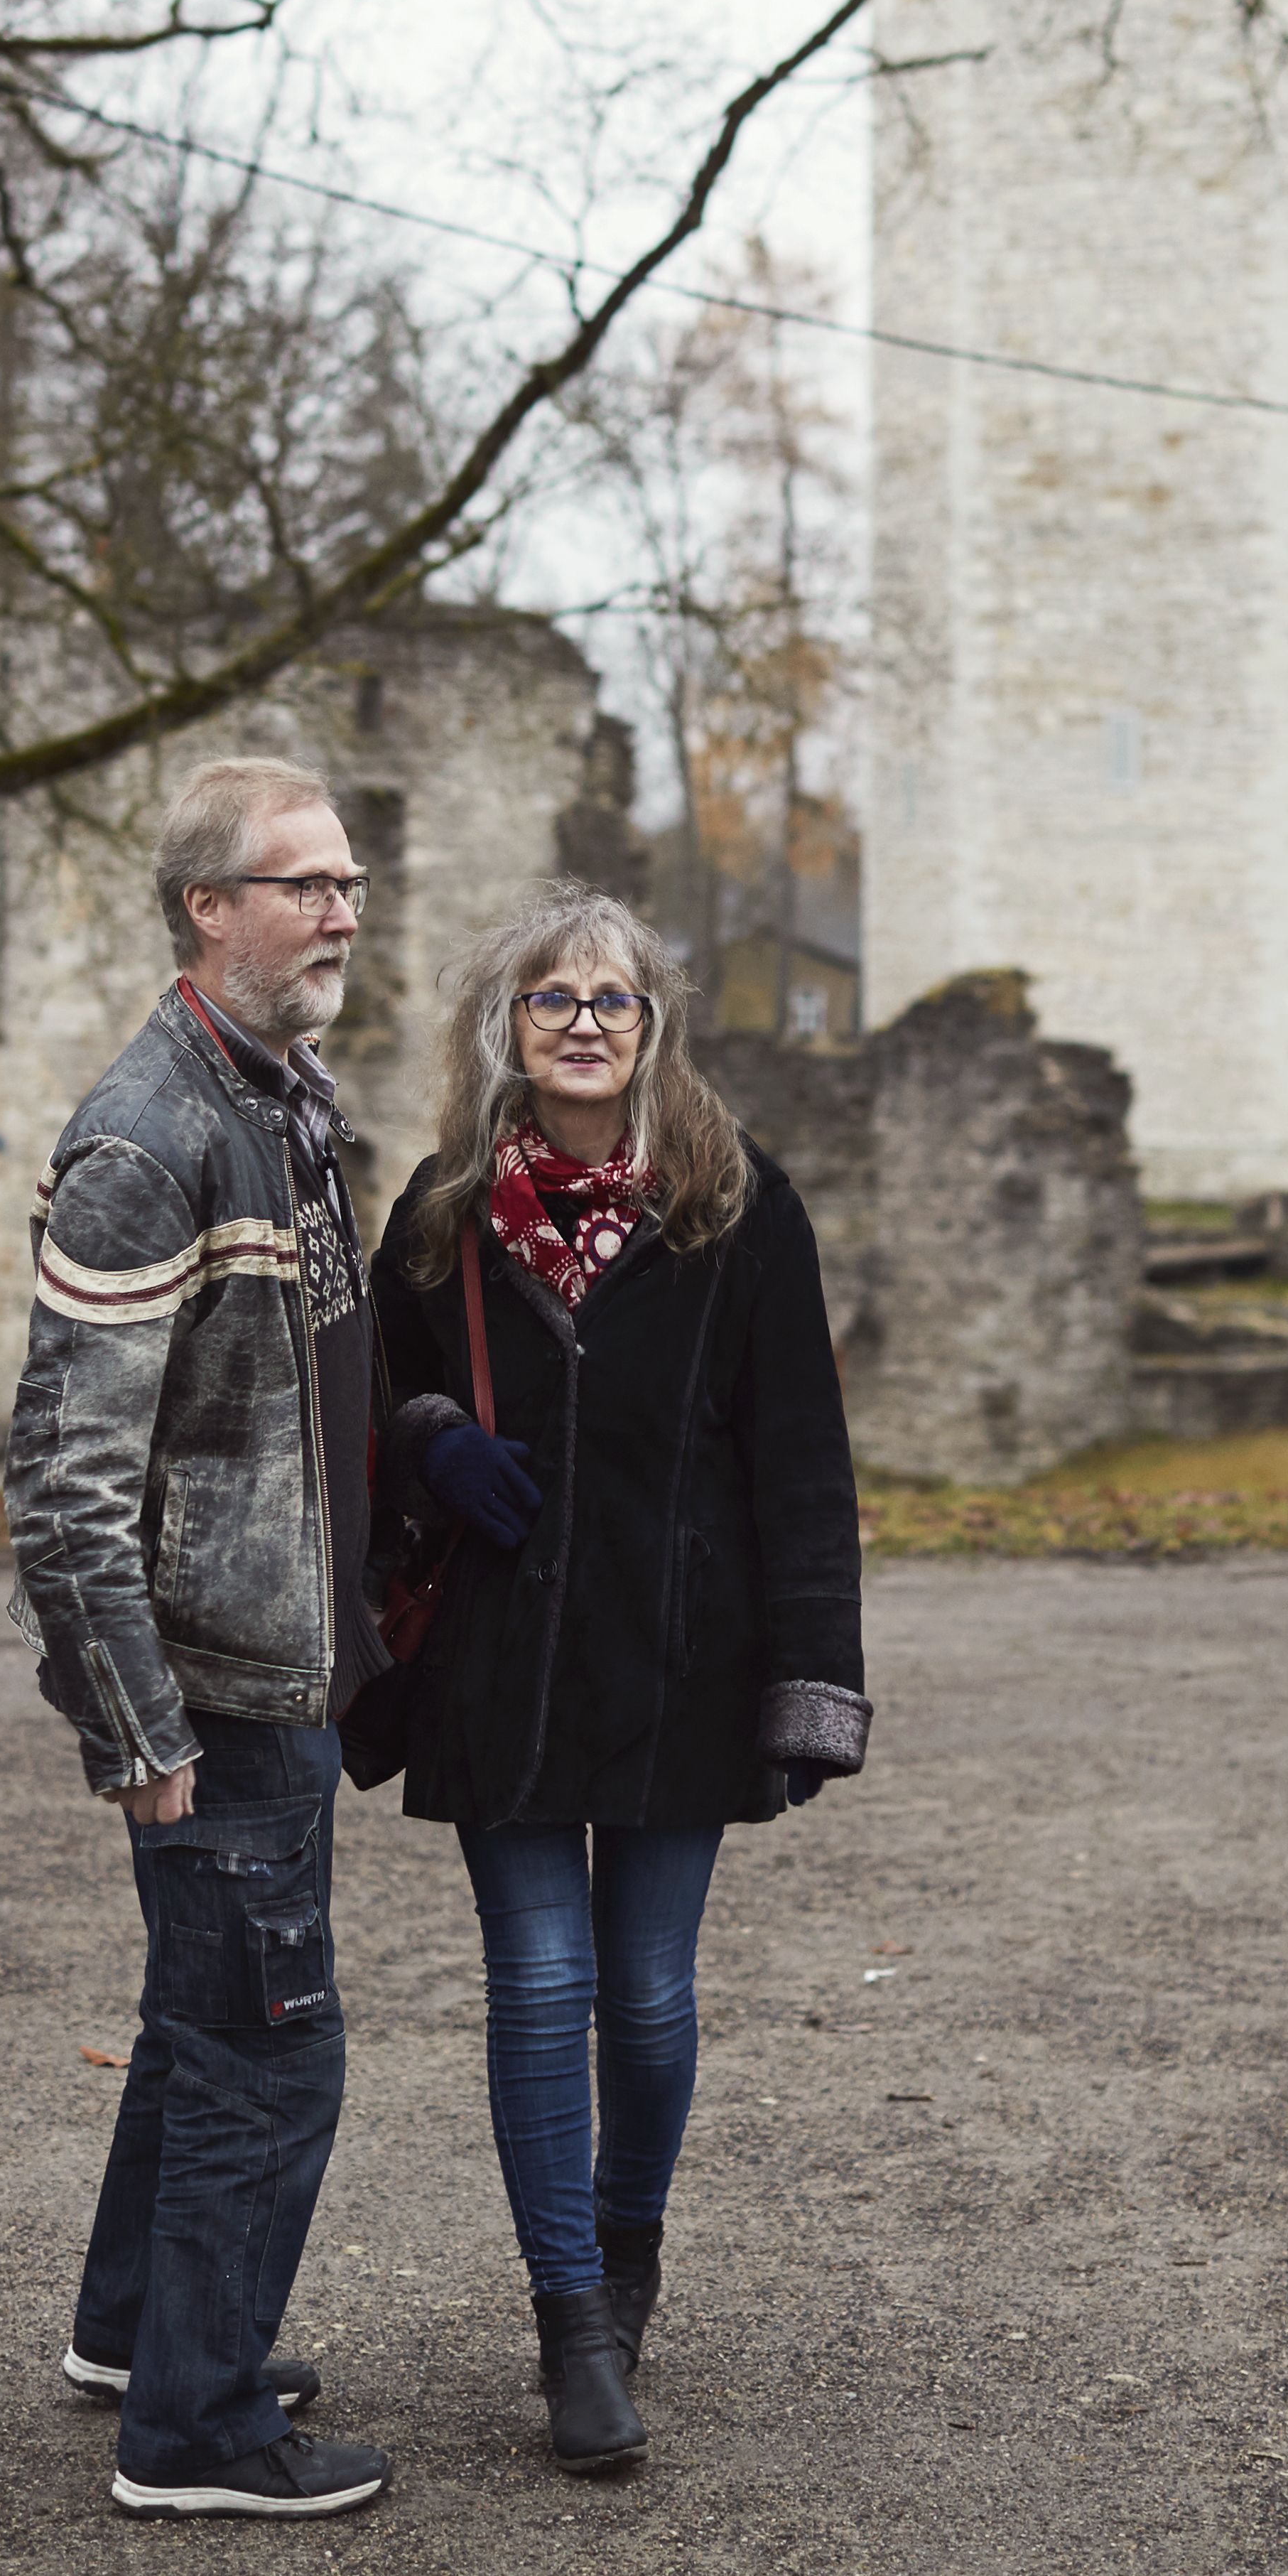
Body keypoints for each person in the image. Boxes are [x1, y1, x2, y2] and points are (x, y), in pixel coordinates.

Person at [371, 880, 871, 2475]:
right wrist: (431, 1440)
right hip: (500, 1662)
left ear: (650, 1026)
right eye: (548, 998)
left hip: (680, 1660)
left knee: (647, 1995)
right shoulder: (444, 1208)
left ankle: (628, 2254)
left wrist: (809, 1677)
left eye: (610, 999)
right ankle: (569, 2317)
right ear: (503, 1027)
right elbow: (370, 1395)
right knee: (539, 1986)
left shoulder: (734, 1208)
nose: (580, 1024)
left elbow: (800, 1458)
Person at [4, 755, 394, 2523]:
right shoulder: (146, 1135)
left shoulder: (283, 1095)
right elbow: (63, 1482)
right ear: (205, 907)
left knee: (195, 2019)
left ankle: (133, 2332)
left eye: (347, 880)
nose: (336, 909)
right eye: (299, 882)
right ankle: (199, 2427)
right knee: (267, 2037)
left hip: (281, 1661)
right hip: (213, 1692)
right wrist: (136, 1730)